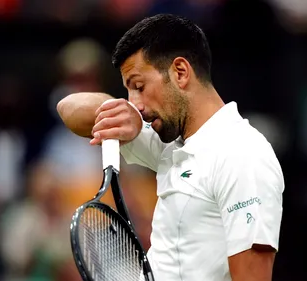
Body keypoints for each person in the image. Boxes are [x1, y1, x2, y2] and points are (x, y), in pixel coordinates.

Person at [57, 14, 284, 281]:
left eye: (139, 87)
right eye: (130, 91)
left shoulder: (242, 154)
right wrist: (123, 111)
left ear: (180, 72)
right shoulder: (169, 140)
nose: (137, 103)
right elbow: (69, 109)